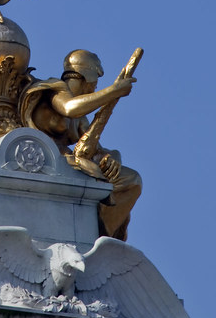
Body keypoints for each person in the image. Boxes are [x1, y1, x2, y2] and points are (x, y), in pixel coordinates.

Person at [19, 49, 142, 241]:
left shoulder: (81, 118)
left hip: (67, 163)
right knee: (94, 172)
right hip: (38, 159)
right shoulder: (54, 89)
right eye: (95, 82)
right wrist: (113, 91)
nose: (95, 88)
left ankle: (101, 235)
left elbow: (96, 149)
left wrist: (113, 157)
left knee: (132, 180)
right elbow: (70, 108)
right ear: (87, 77)